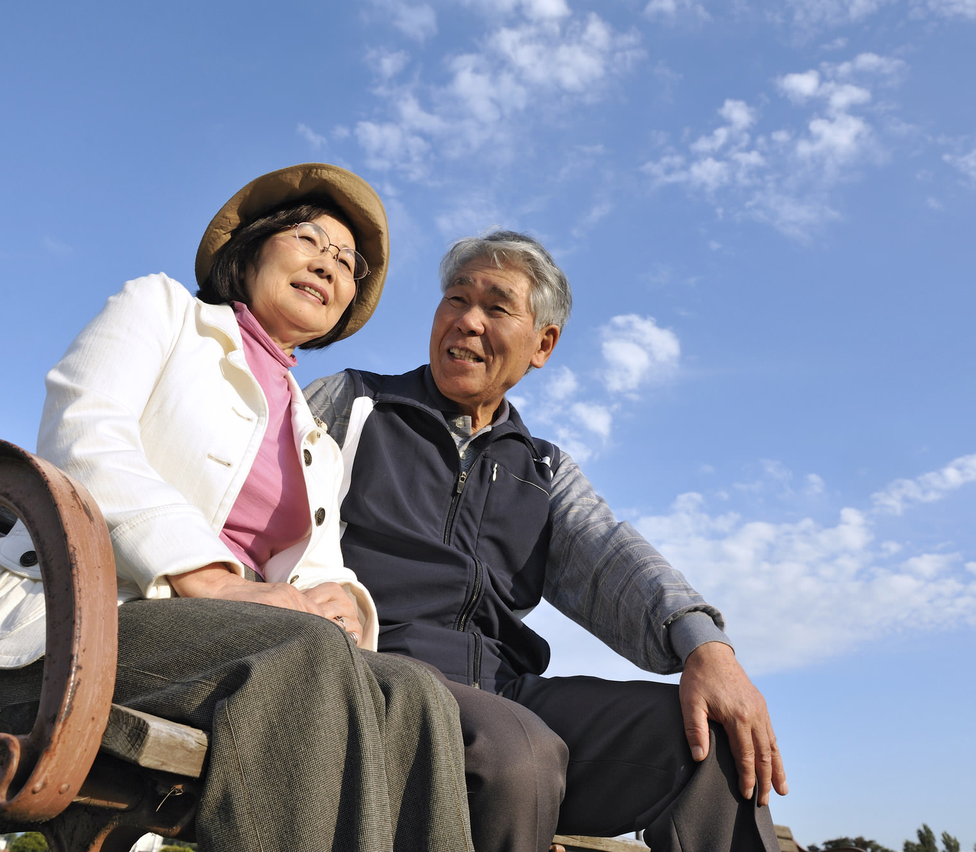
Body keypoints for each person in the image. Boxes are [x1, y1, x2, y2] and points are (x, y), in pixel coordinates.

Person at [0, 163, 475, 852]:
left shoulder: (314, 438)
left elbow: (319, 567)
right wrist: (212, 579)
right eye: (308, 239)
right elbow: (84, 437)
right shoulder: (162, 309)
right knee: (306, 654)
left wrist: (344, 601)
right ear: (251, 249)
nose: (328, 264)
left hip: (231, 652)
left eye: (347, 262)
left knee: (415, 693)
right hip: (68, 637)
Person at [305, 230, 788, 852]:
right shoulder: (353, 404)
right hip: (370, 678)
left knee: (711, 737)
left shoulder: (543, 469)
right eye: (456, 298)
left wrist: (707, 648)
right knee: (519, 751)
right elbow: (257, 516)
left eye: (497, 307)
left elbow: (612, 555)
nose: (467, 320)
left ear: (543, 345)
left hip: (500, 696)